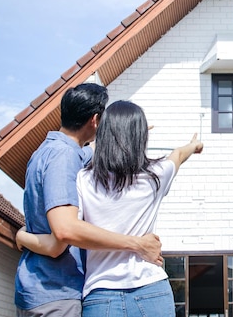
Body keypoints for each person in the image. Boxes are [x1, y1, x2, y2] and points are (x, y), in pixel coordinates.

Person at [18, 100, 203, 317]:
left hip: (101, 295)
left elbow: (69, 231)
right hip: (152, 290)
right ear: (141, 138)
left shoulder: (83, 179)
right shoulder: (156, 175)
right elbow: (178, 154)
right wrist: (194, 145)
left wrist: (22, 236)